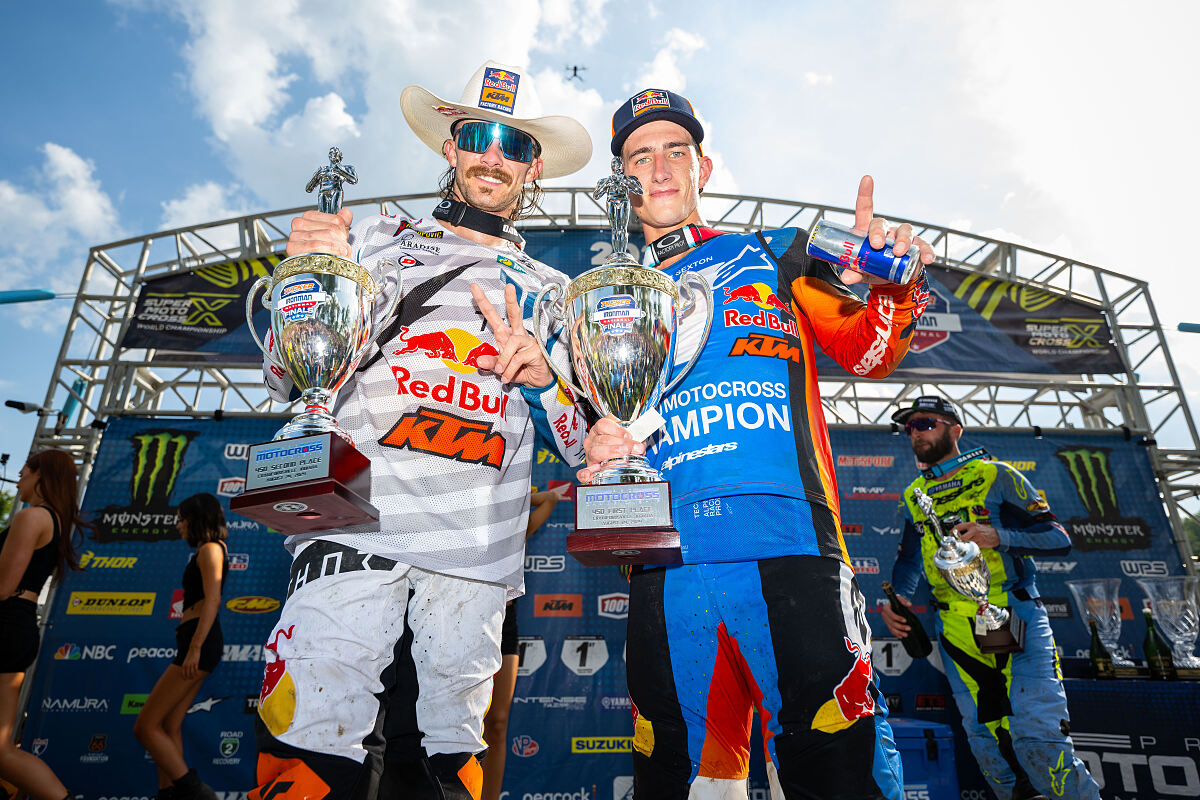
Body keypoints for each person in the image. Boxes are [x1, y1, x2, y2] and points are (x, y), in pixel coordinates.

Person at [579, 89, 933, 799]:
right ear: (620, 185)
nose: (660, 168)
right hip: (666, 561)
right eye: (639, 157)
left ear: (702, 166)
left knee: (839, 771)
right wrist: (592, 442)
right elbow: (588, 432)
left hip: (789, 543)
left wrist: (895, 287)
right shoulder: (598, 300)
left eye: (675, 151)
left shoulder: (772, 255)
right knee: (685, 782)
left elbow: (869, 354)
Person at [253, 60, 589, 800]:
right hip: (355, 531)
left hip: (472, 561)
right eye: (479, 136)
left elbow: (587, 441)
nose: (494, 156)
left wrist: (550, 377)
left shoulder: (558, 293)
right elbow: (287, 375)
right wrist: (307, 282)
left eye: (515, 144)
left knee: (438, 778)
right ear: (451, 149)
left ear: (534, 167)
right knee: (310, 764)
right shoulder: (374, 238)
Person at [881, 396, 1100, 800]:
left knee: (1039, 739)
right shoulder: (915, 495)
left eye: (926, 422)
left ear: (955, 430)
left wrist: (998, 537)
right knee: (988, 746)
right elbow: (909, 560)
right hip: (956, 628)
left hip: (1009, 612)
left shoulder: (997, 475)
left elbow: (1059, 539)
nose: (917, 432)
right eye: (910, 427)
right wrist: (899, 603)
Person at [0, 450, 84, 800]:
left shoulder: (31, 517)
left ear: (39, 476)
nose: (17, 481)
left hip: (6, 624)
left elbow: (3, 586)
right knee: (2, 751)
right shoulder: (55, 521)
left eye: (22, 473)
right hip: (17, 626)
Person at [133, 493, 229, 800]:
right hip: (194, 639)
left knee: (146, 727)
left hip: (199, 641)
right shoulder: (206, 550)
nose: (178, 526)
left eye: (181, 519)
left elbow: (213, 600)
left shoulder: (211, 550)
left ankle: (193, 792)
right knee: (169, 724)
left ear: (196, 520)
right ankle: (169, 793)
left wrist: (195, 648)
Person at [481, 488, 559, 800]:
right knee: (457, 721)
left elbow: (550, 498)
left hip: (504, 624)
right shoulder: (460, 524)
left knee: (497, 724)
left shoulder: (515, 529)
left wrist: (516, 492)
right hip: (459, 622)